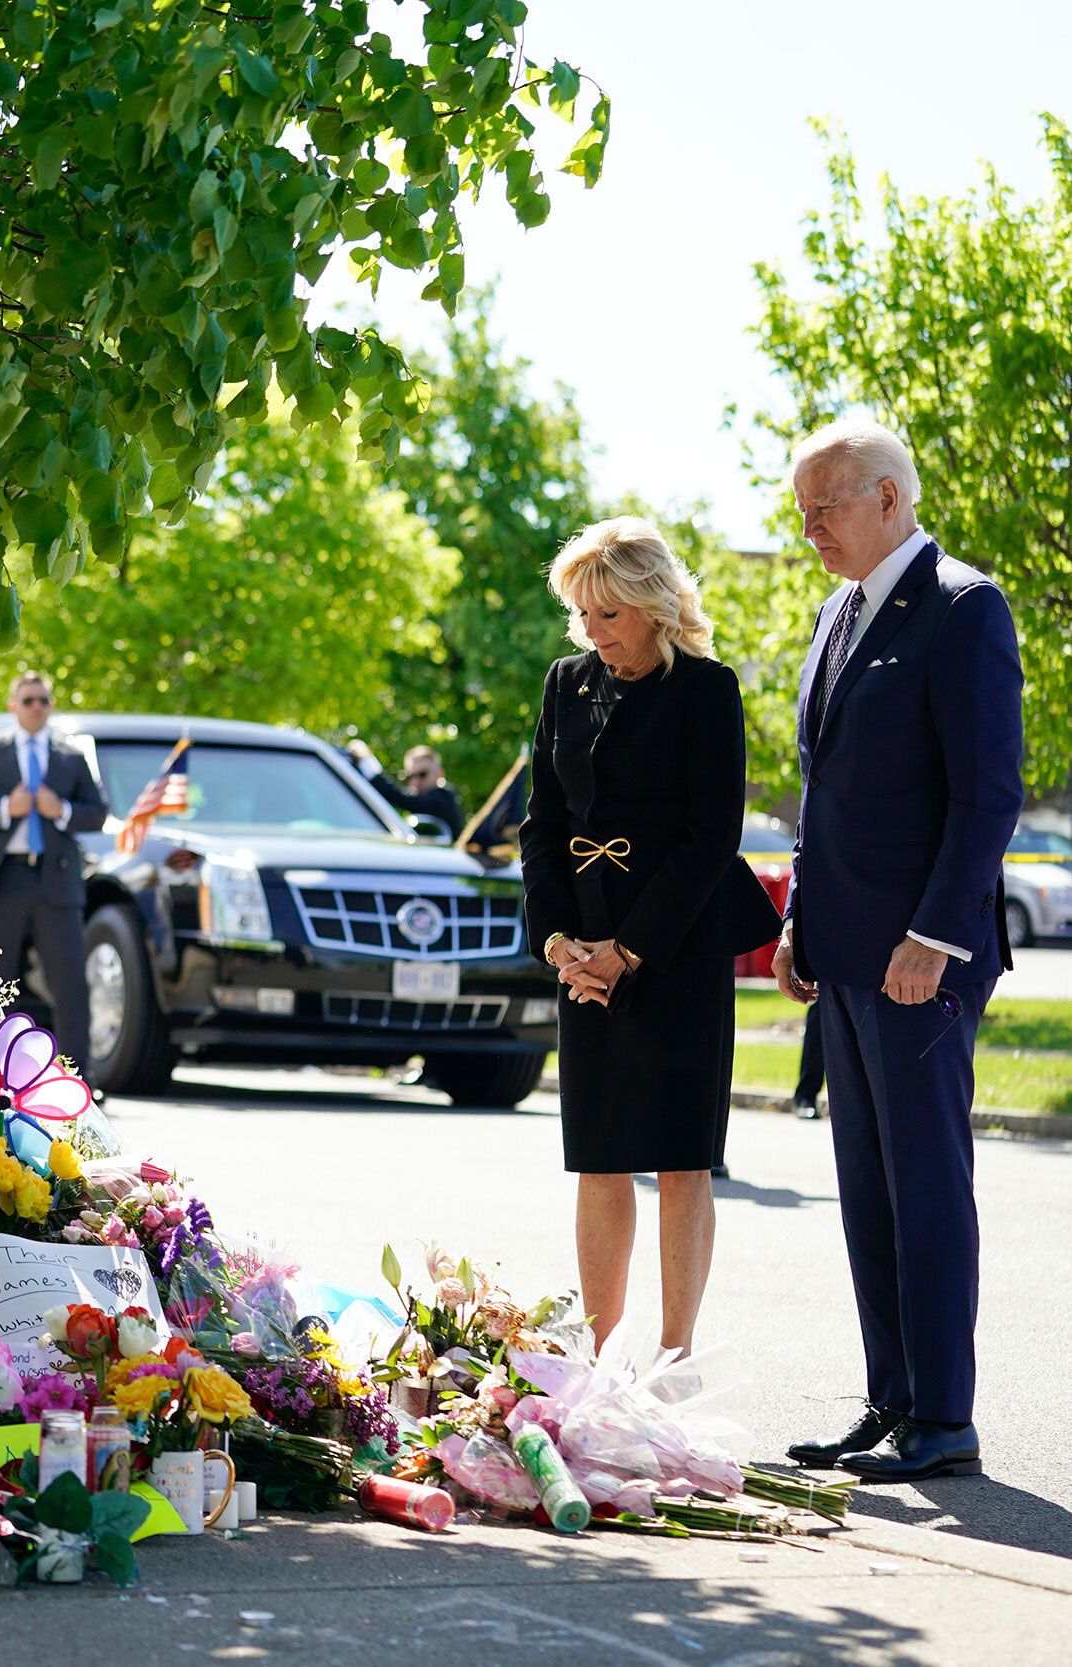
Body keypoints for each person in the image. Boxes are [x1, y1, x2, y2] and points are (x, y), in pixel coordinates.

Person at [775, 419, 1020, 1484]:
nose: (808, 523)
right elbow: (823, 786)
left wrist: (935, 932)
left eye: (823, 501)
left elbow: (986, 793)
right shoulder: (837, 609)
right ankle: (892, 1402)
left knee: (924, 1187)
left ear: (887, 496)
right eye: (799, 506)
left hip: (921, 960)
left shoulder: (962, 608)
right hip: (844, 955)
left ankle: (945, 1420)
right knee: (869, 1191)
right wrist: (798, 917)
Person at [518, 517, 784, 1358]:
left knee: (679, 1157)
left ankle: (674, 1357)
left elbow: (713, 836)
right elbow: (541, 825)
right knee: (598, 1155)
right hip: (583, 949)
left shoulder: (709, 688)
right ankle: (597, 1356)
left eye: (609, 616)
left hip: (677, 948)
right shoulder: (566, 683)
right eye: (583, 616)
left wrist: (628, 952)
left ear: (655, 605)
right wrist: (562, 942)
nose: (594, 634)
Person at [0, 672, 111, 1067]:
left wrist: (64, 810)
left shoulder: (70, 755)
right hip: (4, 878)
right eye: (28, 700)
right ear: (13, 706)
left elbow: (98, 814)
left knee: (70, 981)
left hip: (57, 878)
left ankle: (78, 1078)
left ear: (51, 706)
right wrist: (6, 807)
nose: (36, 706)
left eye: (43, 700)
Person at [348, 741, 466, 832]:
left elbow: (399, 797)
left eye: (422, 774)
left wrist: (366, 761)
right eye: (411, 776)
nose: (416, 781)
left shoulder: (443, 799)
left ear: (440, 774)